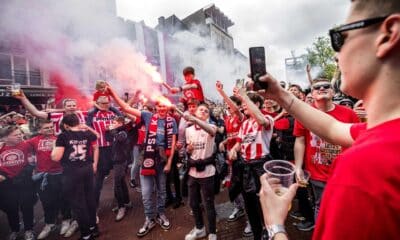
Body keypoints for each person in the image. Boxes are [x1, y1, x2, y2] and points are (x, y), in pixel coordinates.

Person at [258, 1, 400, 239]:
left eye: (340, 38)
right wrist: (280, 95)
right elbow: (333, 128)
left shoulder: (363, 170)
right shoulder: (385, 137)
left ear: (388, 34)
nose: (336, 55)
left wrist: (275, 225)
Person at [108, 86, 177, 237]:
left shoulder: (172, 121)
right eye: (159, 105)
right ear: (156, 107)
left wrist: (170, 162)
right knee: (146, 193)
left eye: (164, 106)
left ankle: (160, 214)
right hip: (147, 158)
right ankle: (149, 218)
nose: (162, 108)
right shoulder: (147, 116)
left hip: (162, 160)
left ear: (167, 106)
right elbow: (125, 107)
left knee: (162, 191)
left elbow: (172, 144)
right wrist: (112, 92)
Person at [293, 78, 359, 230]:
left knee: (345, 207)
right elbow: (300, 141)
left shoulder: (349, 114)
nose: (321, 89)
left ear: (333, 91)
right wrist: (298, 167)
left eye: (326, 86)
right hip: (317, 172)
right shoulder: (305, 114)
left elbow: (357, 141)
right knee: (321, 206)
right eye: (317, 87)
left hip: (344, 171)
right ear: (312, 93)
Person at [229, 89, 274, 240]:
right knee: (250, 204)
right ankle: (256, 233)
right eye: (242, 104)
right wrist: (234, 150)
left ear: (256, 104)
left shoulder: (266, 118)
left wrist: (244, 96)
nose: (243, 106)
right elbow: (239, 143)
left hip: (261, 167)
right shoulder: (245, 124)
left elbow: (261, 121)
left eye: (245, 103)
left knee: (264, 205)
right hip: (246, 167)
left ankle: (271, 232)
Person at [51, 114, 99, 240]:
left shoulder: (63, 136)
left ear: (66, 125)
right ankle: (94, 228)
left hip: (72, 172)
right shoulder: (86, 134)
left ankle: (86, 234)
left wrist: (53, 147)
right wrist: (87, 128)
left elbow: (56, 157)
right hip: (87, 168)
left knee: (78, 204)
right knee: (89, 199)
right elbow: (97, 136)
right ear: (78, 122)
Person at [27, 120, 72, 239]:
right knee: (46, 201)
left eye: (51, 127)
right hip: (42, 176)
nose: (50, 129)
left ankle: (66, 220)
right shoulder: (34, 140)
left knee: (63, 199)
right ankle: (49, 223)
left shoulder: (60, 138)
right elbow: (22, 146)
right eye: (46, 128)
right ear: (40, 130)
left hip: (59, 173)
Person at [182, 103, 218, 240]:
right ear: (196, 112)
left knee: (208, 203)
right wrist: (188, 150)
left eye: (206, 111)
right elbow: (189, 149)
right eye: (200, 110)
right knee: (193, 203)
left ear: (208, 115)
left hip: (207, 173)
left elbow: (213, 132)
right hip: (192, 173)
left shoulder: (211, 127)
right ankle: (199, 228)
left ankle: (213, 232)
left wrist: (194, 119)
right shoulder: (188, 130)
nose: (203, 111)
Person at [0, 126, 36, 240]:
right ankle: (14, 229)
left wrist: (29, 170)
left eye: (20, 133)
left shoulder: (26, 145)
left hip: (24, 180)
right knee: (10, 207)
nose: (20, 136)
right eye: (16, 135)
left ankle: (29, 230)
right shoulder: (1, 147)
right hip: (6, 182)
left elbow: (34, 159)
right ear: (5, 138)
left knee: (27, 206)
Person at [14, 91, 86, 135]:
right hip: (63, 144)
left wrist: (56, 110)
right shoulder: (58, 116)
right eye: (69, 106)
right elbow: (35, 113)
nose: (72, 107)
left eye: (74, 105)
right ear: (64, 107)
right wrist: (23, 99)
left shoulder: (81, 114)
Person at [105, 116, 132, 222]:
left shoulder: (123, 132)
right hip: (116, 160)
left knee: (117, 185)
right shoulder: (117, 132)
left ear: (120, 123)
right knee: (121, 182)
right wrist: (108, 131)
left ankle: (122, 207)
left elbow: (120, 138)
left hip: (121, 161)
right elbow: (108, 139)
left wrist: (111, 129)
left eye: (114, 122)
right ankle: (127, 202)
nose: (112, 123)